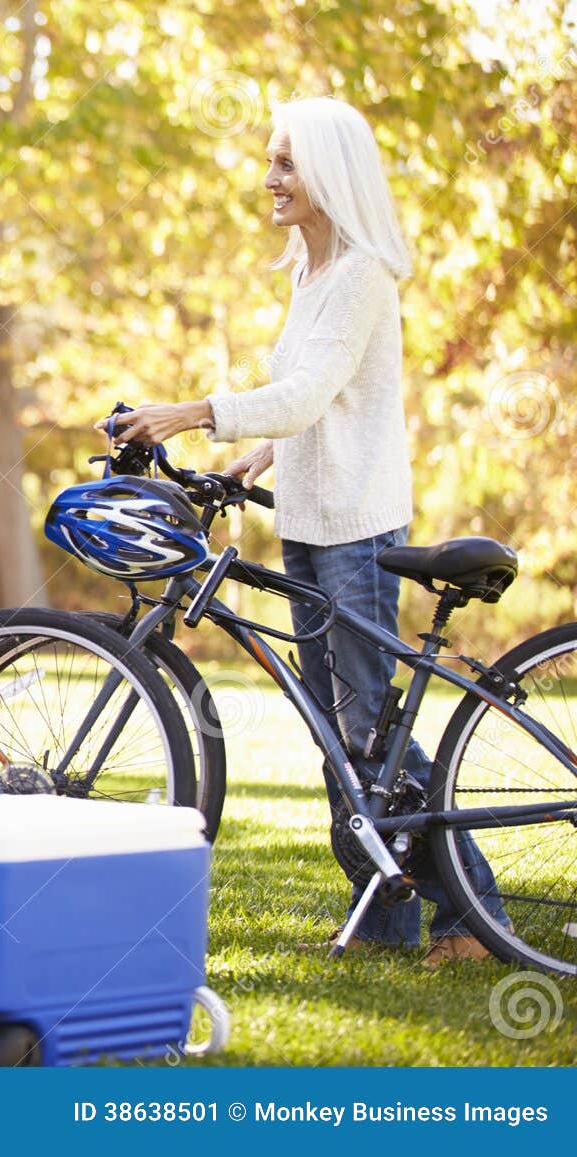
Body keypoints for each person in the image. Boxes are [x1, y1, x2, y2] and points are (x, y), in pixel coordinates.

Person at [100, 96, 506, 965]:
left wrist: (194, 413)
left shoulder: (361, 273)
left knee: (367, 727)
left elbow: (312, 392)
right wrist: (258, 460)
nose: (270, 178)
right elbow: (313, 407)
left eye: (286, 162)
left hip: (357, 529)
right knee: (338, 731)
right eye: (271, 160)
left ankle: (472, 917)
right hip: (311, 524)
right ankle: (387, 917)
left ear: (329, 172)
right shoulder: (310, 273)